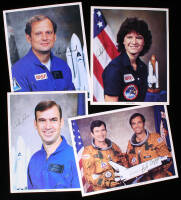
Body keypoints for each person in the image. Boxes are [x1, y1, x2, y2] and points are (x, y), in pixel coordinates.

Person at [12, 15, 75, 92]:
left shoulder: (63, 65)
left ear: (54, 36)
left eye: (48, 32)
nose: (45, 38)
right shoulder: (17, 70)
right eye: (38, 33)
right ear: (29, 38)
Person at [27, 100, 79, 189]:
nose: (48, 126)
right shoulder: (33, 160)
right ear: (35, 124)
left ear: (61, 123)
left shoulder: (76, 157)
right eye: (42, 120)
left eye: (53, 120)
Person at [102, 17, 152, 102]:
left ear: (144, 42)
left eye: (139, 37)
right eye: (129, 37)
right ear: (123, 41)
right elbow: (111, 105)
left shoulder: (143, 67)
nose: (134, 42)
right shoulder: (114, 69)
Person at [81, 120, 128, 191]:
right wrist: (108, 183)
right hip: (103, 189)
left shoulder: (113, 146)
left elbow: (123, 161)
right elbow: (89, 176)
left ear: (106, 131)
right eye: (97, 131)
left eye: (103, 130)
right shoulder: (88, 152)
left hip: (121, 185)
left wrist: (126, 174)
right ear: (92, 134)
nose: (101, 134)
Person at [126, 113, 172, 182]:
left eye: (139, 122)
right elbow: (130, 164)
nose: (137, 126)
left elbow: (168, 159)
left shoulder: (155, 138)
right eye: (134, 124)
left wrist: (156, 171)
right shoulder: (130, 145)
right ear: (131, 126)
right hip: (143, 180)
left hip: (159, 177)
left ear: (143, 123)